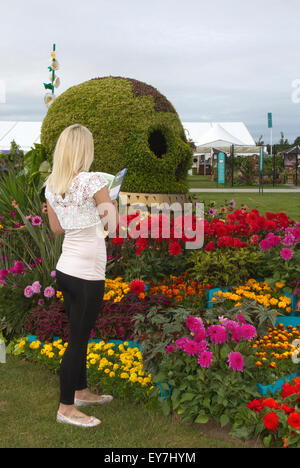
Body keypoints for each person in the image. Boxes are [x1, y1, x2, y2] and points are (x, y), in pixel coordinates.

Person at [43, 124, 119, 427]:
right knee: (77, 338)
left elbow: (57, 229)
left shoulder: (52, 184)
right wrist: (111, 200)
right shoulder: (93, 180)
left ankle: (81, 391)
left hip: (66, 269)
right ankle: (66, 408)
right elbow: (112, 225)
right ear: (84, 150)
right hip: (87, 272)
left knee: (79, 333)